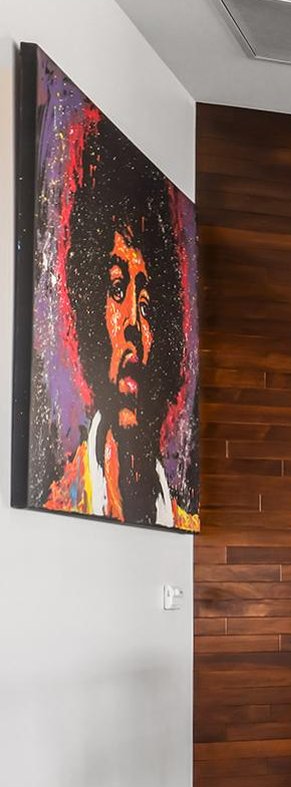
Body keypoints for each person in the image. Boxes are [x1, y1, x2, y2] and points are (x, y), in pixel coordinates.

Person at [40, 113, 198, 530]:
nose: (134, 327)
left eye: (146, 305)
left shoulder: (180, 520)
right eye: (116, 289)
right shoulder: (63, 499)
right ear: (89, 309)